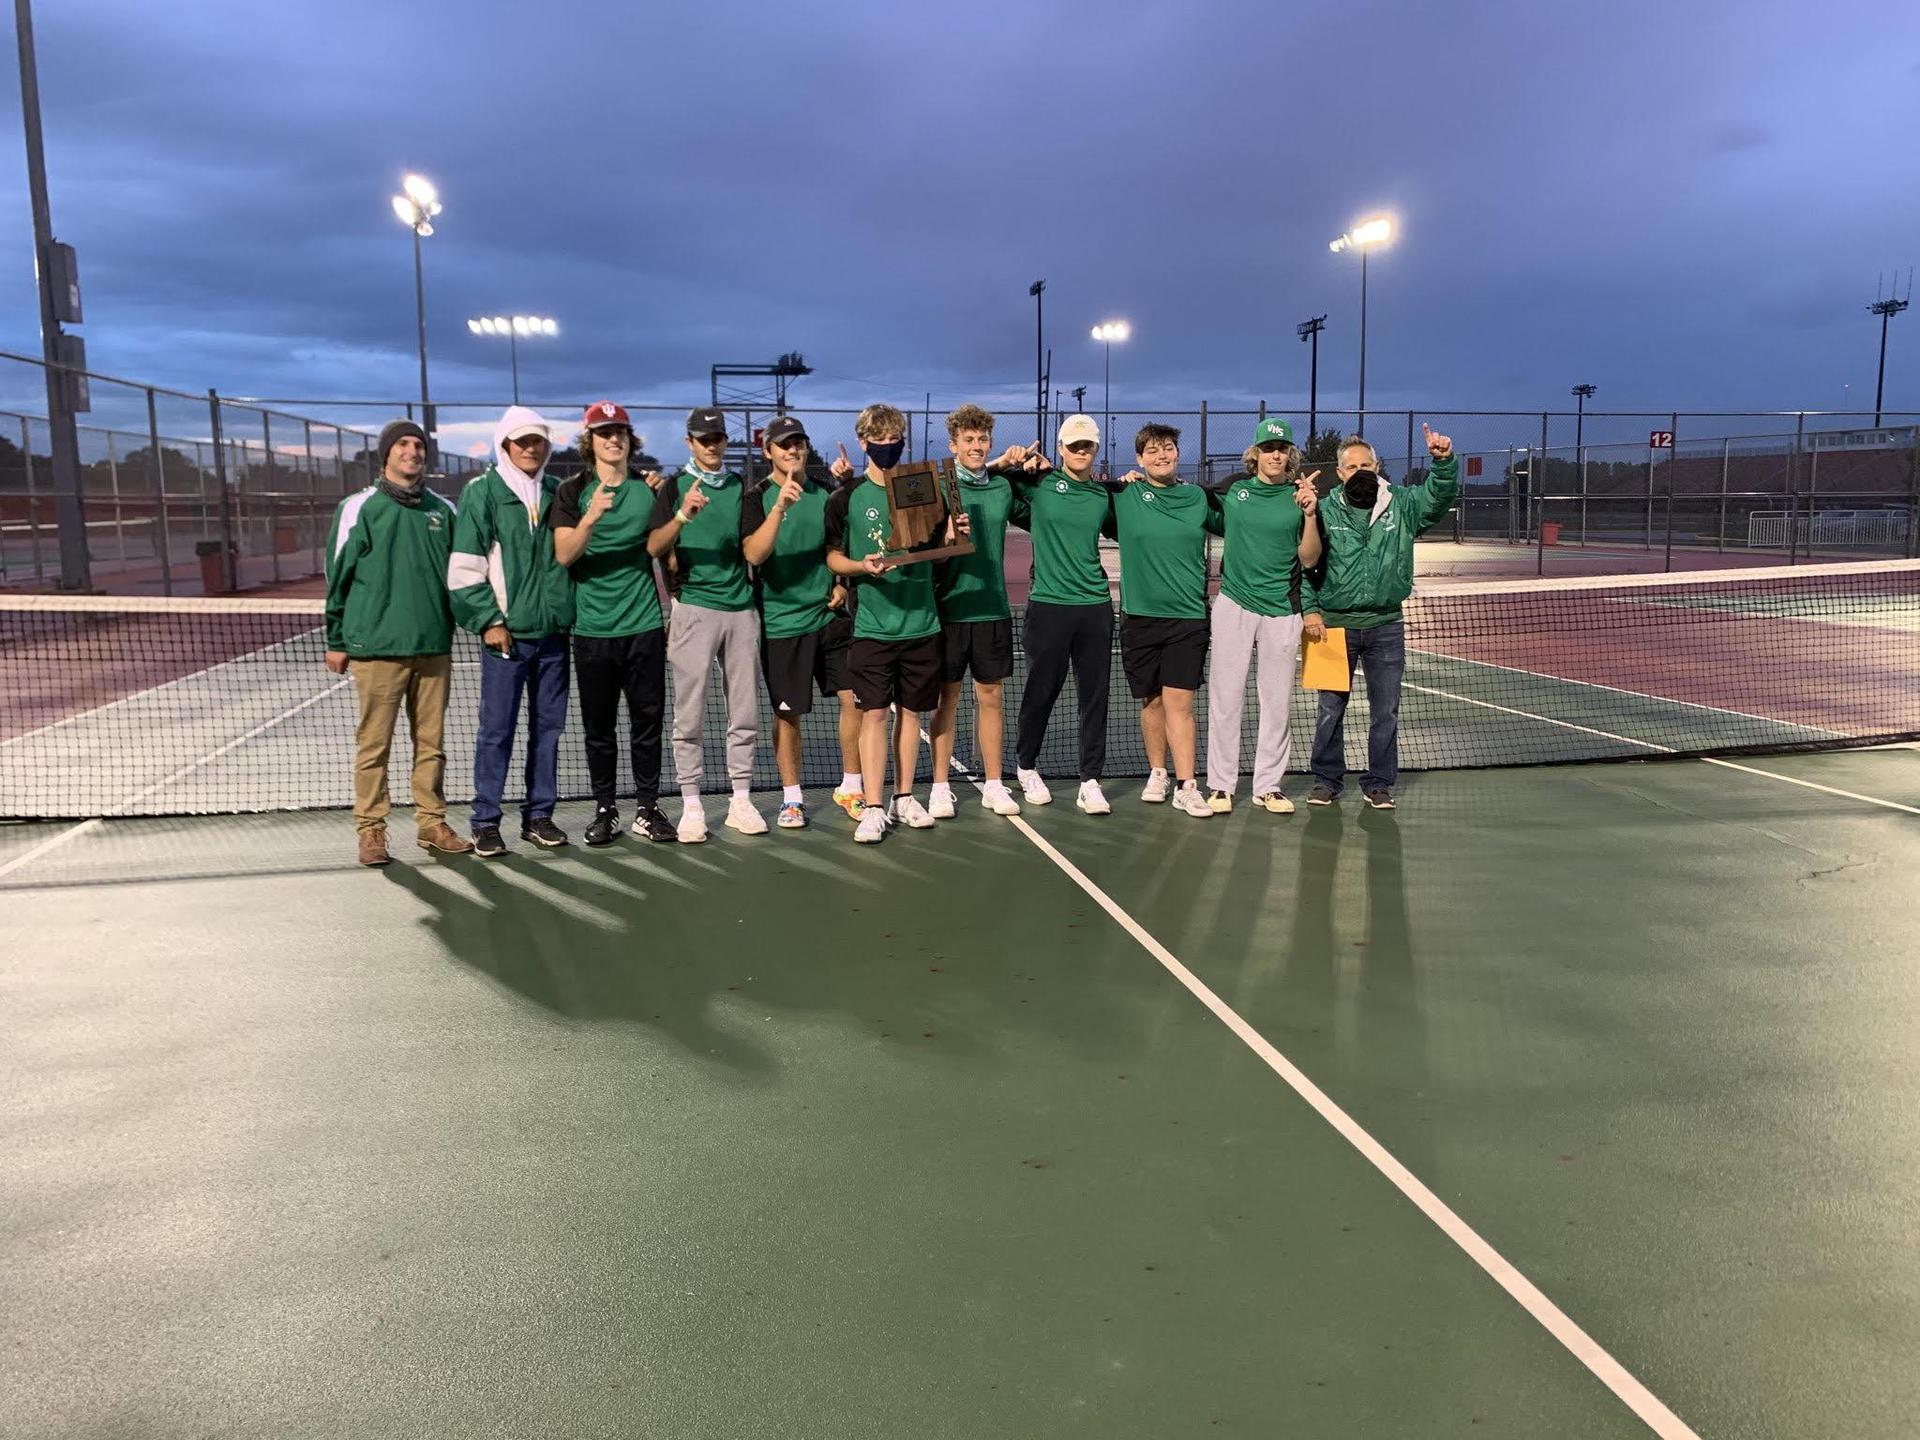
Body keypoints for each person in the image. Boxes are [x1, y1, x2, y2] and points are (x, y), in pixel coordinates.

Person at [323, 420, 472, 866]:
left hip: (432, 646)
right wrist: (337, 637)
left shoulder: (443, 510)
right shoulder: (359, 508)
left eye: (419, 445)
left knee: (433, 743)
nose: (412, 451)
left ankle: (431, 823)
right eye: (403, 444)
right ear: (386, 454)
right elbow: (338, 574)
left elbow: (461, 576)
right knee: (374, 746)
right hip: (377, 649)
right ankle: (371, 831)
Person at [824, 403, 968, 844]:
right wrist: (861, 567)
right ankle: (872, 805)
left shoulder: (924, 486)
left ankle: (904, 797)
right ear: (864, 442)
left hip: (922, 624)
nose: (888, 446)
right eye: (879, 440)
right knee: (872, 716)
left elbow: (946, 545)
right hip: (872, 628)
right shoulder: (845, 496)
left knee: (911, 715)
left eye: (894, 439)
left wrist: (952, 536)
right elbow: (832, 557)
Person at [1304, 425, 1459, 810]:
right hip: (1333, 626)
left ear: (1377, 466)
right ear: (1340, 473)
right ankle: (1326, 780)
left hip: (1386, 625)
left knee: (1385, 711)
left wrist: (1443, 462)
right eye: (1351, 466)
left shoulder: (1402, 503)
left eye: (1366, 464)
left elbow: (1437, 500)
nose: (1360, 470)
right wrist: (1310, 609)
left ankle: (1379, 783)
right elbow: (1304, 567)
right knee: (1329, 711)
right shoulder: (1323, 509)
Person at [448, 406, 575, 858]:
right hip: (507, 637)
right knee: (496, 731)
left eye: (537, 440)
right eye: (521, 441)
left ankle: (539, 815)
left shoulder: (559, 492)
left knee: (549, 731)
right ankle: (485, 820)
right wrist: (489, 621)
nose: (529, 448)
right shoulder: (482, 493)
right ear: (504, 445)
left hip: (554, 636)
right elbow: (464, 568)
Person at [550, 401, 677, 846]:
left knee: (648, 723)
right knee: (599, 729)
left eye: (620, 431)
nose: (613, 438)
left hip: (643, 626)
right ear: (591, 441)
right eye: (604, 432)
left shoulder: (649, 488)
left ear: (630, 439)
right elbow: (565, 553)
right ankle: (605, 810)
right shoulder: (572, 492)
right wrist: (591, 516)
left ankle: (647, 808)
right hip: (592, 632)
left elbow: (661, 547)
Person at [740, 414, 865, 830]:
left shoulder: (828, 495)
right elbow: (755, 556)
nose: (793, 450)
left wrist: (843, 583)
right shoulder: (756, 497)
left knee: (855, 700)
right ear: (768, 452)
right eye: (783, 444)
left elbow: (839, 547)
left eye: (799, 443)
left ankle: (851, 786)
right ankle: (791, 798)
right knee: (788, 715)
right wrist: (780, 508)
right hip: (781, 625)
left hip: (828, 619)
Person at [648, 406, 765, 843]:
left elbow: (751, 547)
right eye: (703, 438)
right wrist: (682, 516)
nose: (712, 444)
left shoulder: (739, 488)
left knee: (745, 710)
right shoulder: (674, 487)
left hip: (739, 609)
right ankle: (692, 805)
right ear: (689, 443)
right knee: (689, 714)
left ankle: (740, 800)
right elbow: (654, 546)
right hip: (692, 609)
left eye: (717, 437)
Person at [1205, 416, 1323, 814]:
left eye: (1282, 448)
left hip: (1282, 611)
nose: (1276, 454)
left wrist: (1309, 514)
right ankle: (1221, 786)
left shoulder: (1299, 498)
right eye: (1268, 448)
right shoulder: (1233, 491)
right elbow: (1189, 503)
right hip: (1234, 604)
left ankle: (1268, 786)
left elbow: (1309, 559)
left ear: (1291, 455)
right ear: (1254, 454)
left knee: (1276, 703)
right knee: (1226, 699)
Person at [926, 403, 1038, 819]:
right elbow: (922, 551)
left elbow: (1038, 507)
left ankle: (994, 784)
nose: (976, 446)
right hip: (949, 611)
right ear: (953, 444)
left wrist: (1033, 467)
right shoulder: (939, 487)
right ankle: (939, 787)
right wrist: (947, 536)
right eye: (968, 440)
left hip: (993, 609)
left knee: (991, 697)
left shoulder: (1002, 488)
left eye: (982, 439)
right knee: (947, 699)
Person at [1008, 413, 1117, 815]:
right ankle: (1026, 766)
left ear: (1096, 448)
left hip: (1095, 608)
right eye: (1073, 445)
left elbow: (1130, 523)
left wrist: (1135, 482)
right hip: (1049, 606)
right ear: (1060, 448)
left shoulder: (1105, 496)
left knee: (1095, 697)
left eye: (1087, 445)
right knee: (1041, 691)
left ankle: (1090, 780)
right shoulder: (1039, 485)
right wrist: (1016, 463)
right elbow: (996, 483)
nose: (1081, 451)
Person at [1111, 422, 1219, 819]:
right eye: (1152, 450)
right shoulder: (1124, 495)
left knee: (1180, 703)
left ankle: (1187, 785)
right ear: (1139, 458)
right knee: (1152, 701)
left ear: (1177, 453)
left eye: (1168, 448)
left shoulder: (1198, 498)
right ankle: (1158, 772)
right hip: (1139, 617)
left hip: (1187, 618)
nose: (1161, 456)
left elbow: (1240, 522)